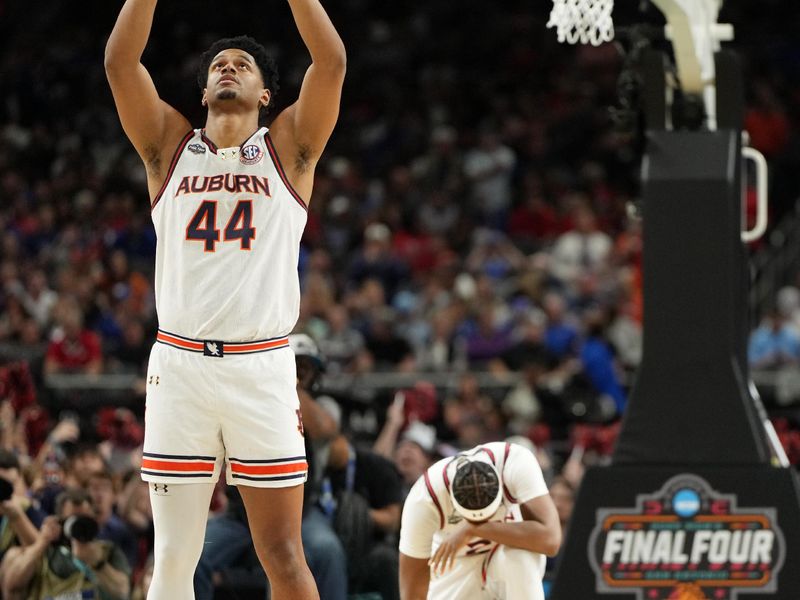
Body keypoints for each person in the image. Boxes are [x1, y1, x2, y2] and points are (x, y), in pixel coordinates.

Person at [104, 0, 346, 597]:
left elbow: (332, 61)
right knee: (173, 561)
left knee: (284, 554)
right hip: (180, 367)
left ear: (266, 96)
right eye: (218, 65)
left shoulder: (288, 149)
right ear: (204, 88)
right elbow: (118, 61)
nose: (228, 69)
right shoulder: (168, 147)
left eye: (242, 65)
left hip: (260, 369)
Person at [398, 441, 561, 600]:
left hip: (508, 550)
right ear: (452, 500)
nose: (483, 520)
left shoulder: (514, 462)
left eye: (488, 516)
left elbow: (550, 540)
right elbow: (412, 590)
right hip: (456, 563)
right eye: (473, 519)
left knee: (521, 560)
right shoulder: (424, 500)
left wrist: (473, 528)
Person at [2, 488, 131, 600]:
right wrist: (42, 542)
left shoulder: (106, 551)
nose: (78, 527)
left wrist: (98, 564)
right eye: (72, 520)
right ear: (59, 520)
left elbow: (123, 592)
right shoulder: (44, 553)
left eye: (84, 520)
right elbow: (12, 586)